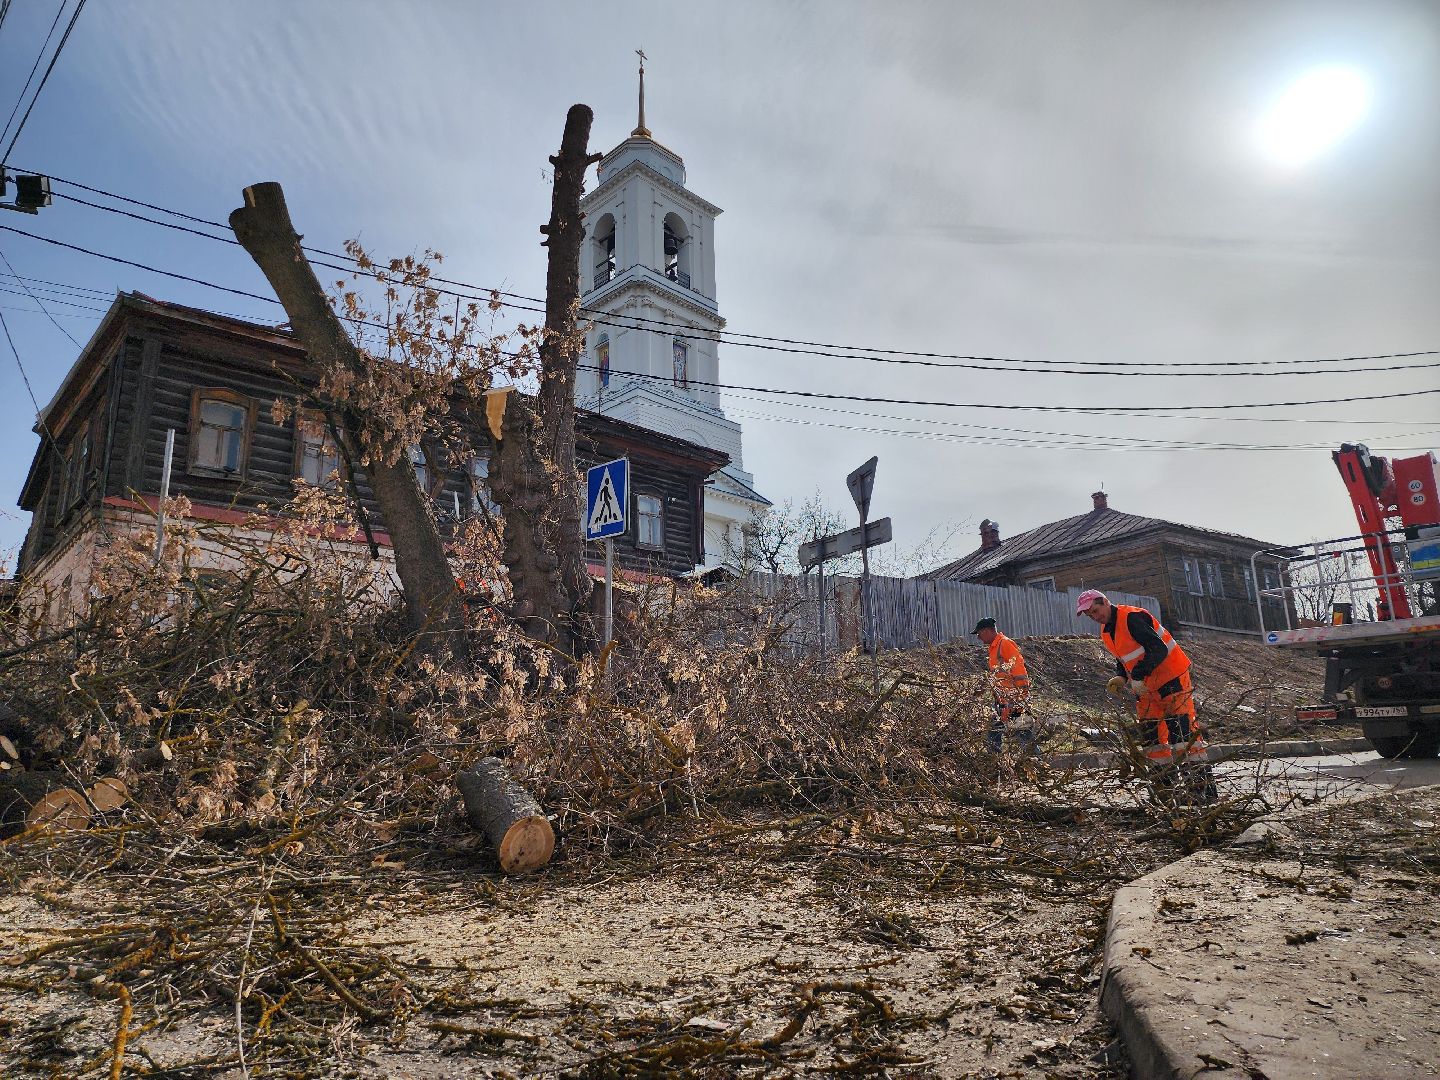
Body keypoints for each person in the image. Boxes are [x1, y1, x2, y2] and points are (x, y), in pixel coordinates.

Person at [1075, 589, 1216, 805]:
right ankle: (1164, 792)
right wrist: (1121, 676)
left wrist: (1138, 675)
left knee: (1182, 736)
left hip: (1171, 679)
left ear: (1104, 602)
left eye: (1095, 610)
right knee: (1152, 740)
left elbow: (1158, 649)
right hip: (1146, 688)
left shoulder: (1132, 617)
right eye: (1090, 615)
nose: (1095, 617)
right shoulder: (1107, 631)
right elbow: (1124, 658)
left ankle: (1201, 792)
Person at [973, 617, 1033, 752]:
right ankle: (995, 764)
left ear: (987, 631)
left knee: (1024, 734)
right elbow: (997, 674)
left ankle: (1036, 763)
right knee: (993, 733)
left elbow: (1019, 671)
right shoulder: (994, 648)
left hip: (1014, 700)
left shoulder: (1005, 644)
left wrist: (1020, 699)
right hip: (1001, 700)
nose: (978, 638)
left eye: (979, 634)